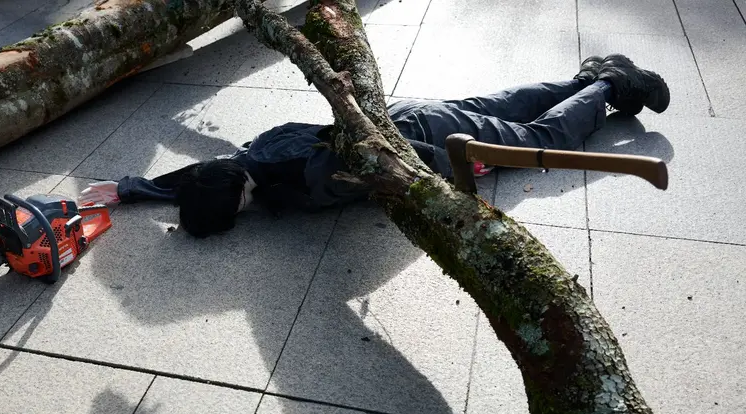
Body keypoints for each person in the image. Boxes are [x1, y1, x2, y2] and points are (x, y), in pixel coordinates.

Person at [80, 53, 669, 237]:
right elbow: (202, 175)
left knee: (537, 138)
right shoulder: (254, 152)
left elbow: (388, 174)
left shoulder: (306, 184)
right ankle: (583, 77)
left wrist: (460, 178)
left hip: (432, 145)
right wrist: (132, 190)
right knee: (504, 102)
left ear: (238, 203)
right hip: (407, 112)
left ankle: (607, 85)